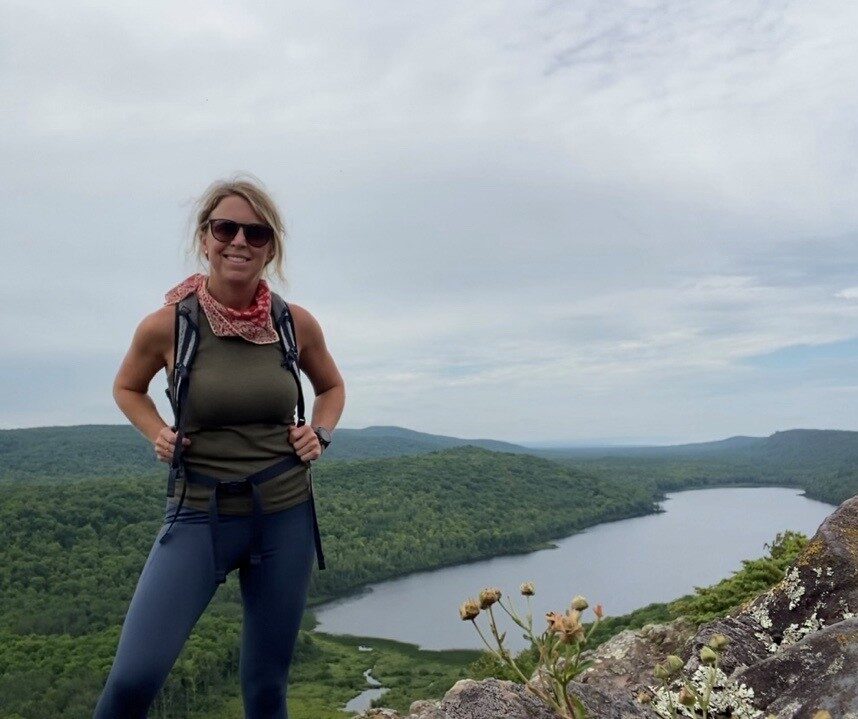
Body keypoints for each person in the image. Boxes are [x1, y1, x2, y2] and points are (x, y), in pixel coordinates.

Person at [93, 176, 345, 719]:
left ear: (270, 248)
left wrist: (318, 432)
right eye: (225, 228)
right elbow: (126, 388)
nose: (239, 242)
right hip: (198, 514)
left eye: (255, 233)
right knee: (134, 680)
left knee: (265, 685)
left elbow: (332, 387)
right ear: (204, 239)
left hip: (284, 514)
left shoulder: (293, 324)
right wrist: (155, 430)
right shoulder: (169, 325)